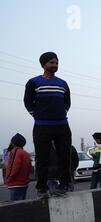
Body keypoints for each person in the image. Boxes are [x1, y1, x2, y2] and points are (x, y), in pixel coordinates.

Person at [24, 52, 72, 198]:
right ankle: (42, 189)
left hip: (62, 125)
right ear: (44, 64)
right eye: (52, 62)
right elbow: (28, 102)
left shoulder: (63, 84)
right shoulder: (33, 82)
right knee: (42, 158)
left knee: (64, 156)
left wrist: (61, 114)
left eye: (57, 63)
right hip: (42, 126)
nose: (55, 65)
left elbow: (67, 103)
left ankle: (64, 185)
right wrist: (38, 116)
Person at [5, 134, 32, 201]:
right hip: (24, 183)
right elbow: (29, 168)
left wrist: (8, 179)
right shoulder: (25, 153)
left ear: (14, 143)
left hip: (15, 184)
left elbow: (14, 167)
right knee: (21, 206)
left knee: (15, 208)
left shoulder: (15, 152)